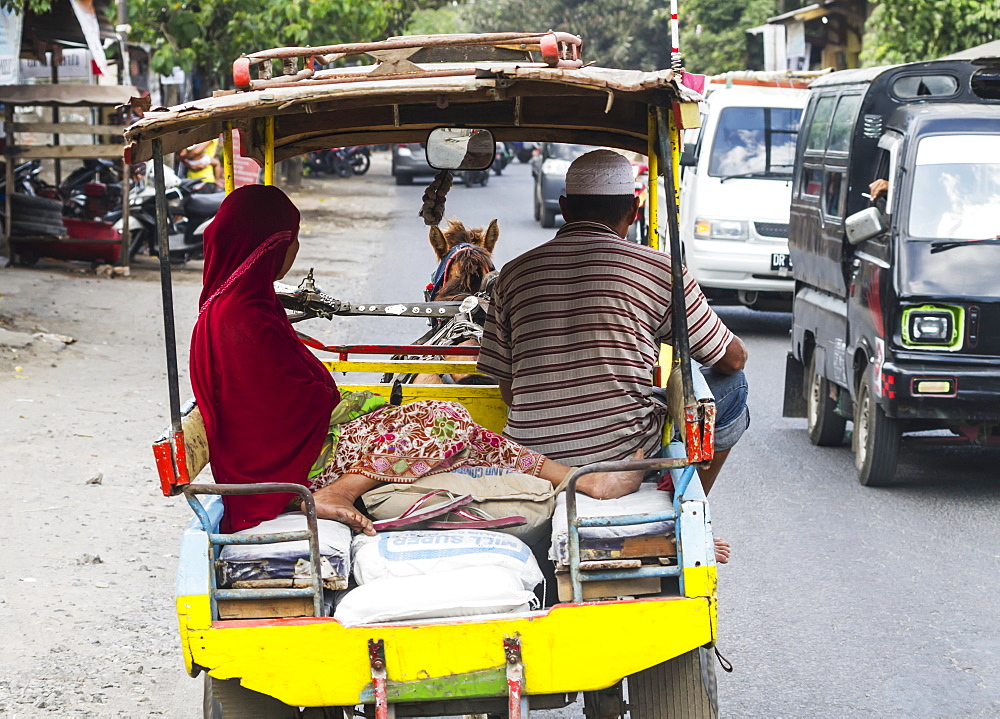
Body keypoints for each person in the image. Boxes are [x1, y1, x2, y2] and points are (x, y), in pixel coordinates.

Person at [190, 185, 643, 535]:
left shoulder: (236, 307)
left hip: (308, 442)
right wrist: (347, 411)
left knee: (440, 420)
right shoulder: (242, 319)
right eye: (293, 240)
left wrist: (353, 407)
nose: (296, 251)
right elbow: (269, 416)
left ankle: (578, 480)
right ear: (270, 245)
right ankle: (340, 493)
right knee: (445, 420)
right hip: (298, 463)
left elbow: (280, 398)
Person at [477, 150, 748, 561]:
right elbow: (732, 361)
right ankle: (692, 511)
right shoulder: (660, 270)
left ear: (564, 208)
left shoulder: (513, 273)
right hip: (621, 461)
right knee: (731, 388)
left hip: (531, 461)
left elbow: (510, 392)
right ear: (634, 208)